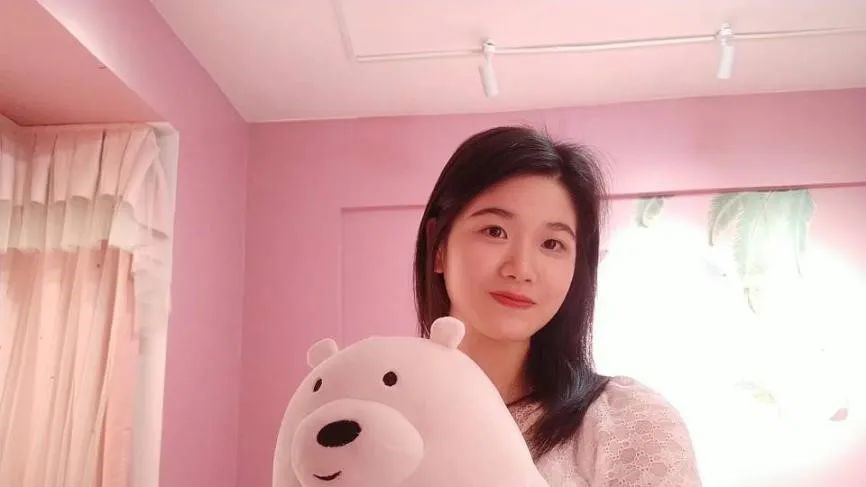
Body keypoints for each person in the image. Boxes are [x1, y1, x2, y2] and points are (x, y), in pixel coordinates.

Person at [412, 126, 701, 486]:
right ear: (438, 245)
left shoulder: (625, 424)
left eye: (552, 244)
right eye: (495, 231)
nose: (521, 269)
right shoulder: (374, 410)